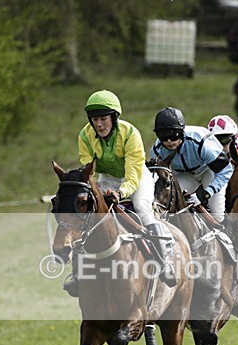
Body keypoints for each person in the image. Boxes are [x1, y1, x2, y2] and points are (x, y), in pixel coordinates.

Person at [65, 89, 175, 296]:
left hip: (136, 177)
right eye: (95, 120)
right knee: (88, 215)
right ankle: (77, 274)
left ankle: (165, 260)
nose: (99, 125)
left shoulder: (130, 134)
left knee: (142, 209)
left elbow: (132, 176)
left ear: (114, 118)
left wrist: (120, 193)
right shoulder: (85, 136)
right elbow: (88, 171)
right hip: (107, 178)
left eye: (103, 119)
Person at [151, 107, 232, 222]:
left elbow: (226, 171)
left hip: (208, 171)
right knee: (169, 203)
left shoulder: (200, 142)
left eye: (174, 135)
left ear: (182, 132)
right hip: (183, 174)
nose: (169, 141)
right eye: (163, 136)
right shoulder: (157, 150)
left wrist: (206, 194)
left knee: (217, 215)